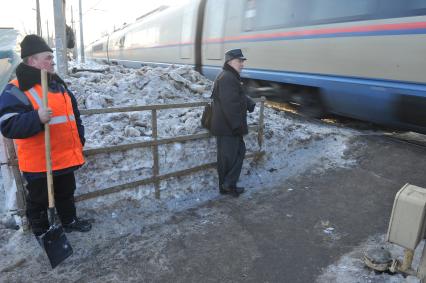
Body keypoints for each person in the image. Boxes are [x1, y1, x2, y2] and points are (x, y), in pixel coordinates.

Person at [0, 34, 91, 236]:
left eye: (51, 57)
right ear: (32, 60)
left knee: (66, 193)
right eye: (47, 57)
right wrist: (36, 118)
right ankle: (42, 232)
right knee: (39, 199)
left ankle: (69, 221)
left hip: (64, 156)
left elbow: (73, 116)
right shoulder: (16, 89)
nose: (52, 61)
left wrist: (80, 139)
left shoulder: (56, 84)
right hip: (40, 161)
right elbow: (8, 125)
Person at [210, 49, 256, 197]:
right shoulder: (227, 78)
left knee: (231, 156)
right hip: (228, 127)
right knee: (232, 157)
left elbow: (238, 96)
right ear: (230, 62)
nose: (242, 64)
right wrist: (237, 126)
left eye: (242, 61)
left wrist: (249, 103)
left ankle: (228, 185)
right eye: (239, 61)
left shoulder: (230, 76)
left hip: (228, 126)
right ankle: (228, 185)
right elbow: (230, 105)